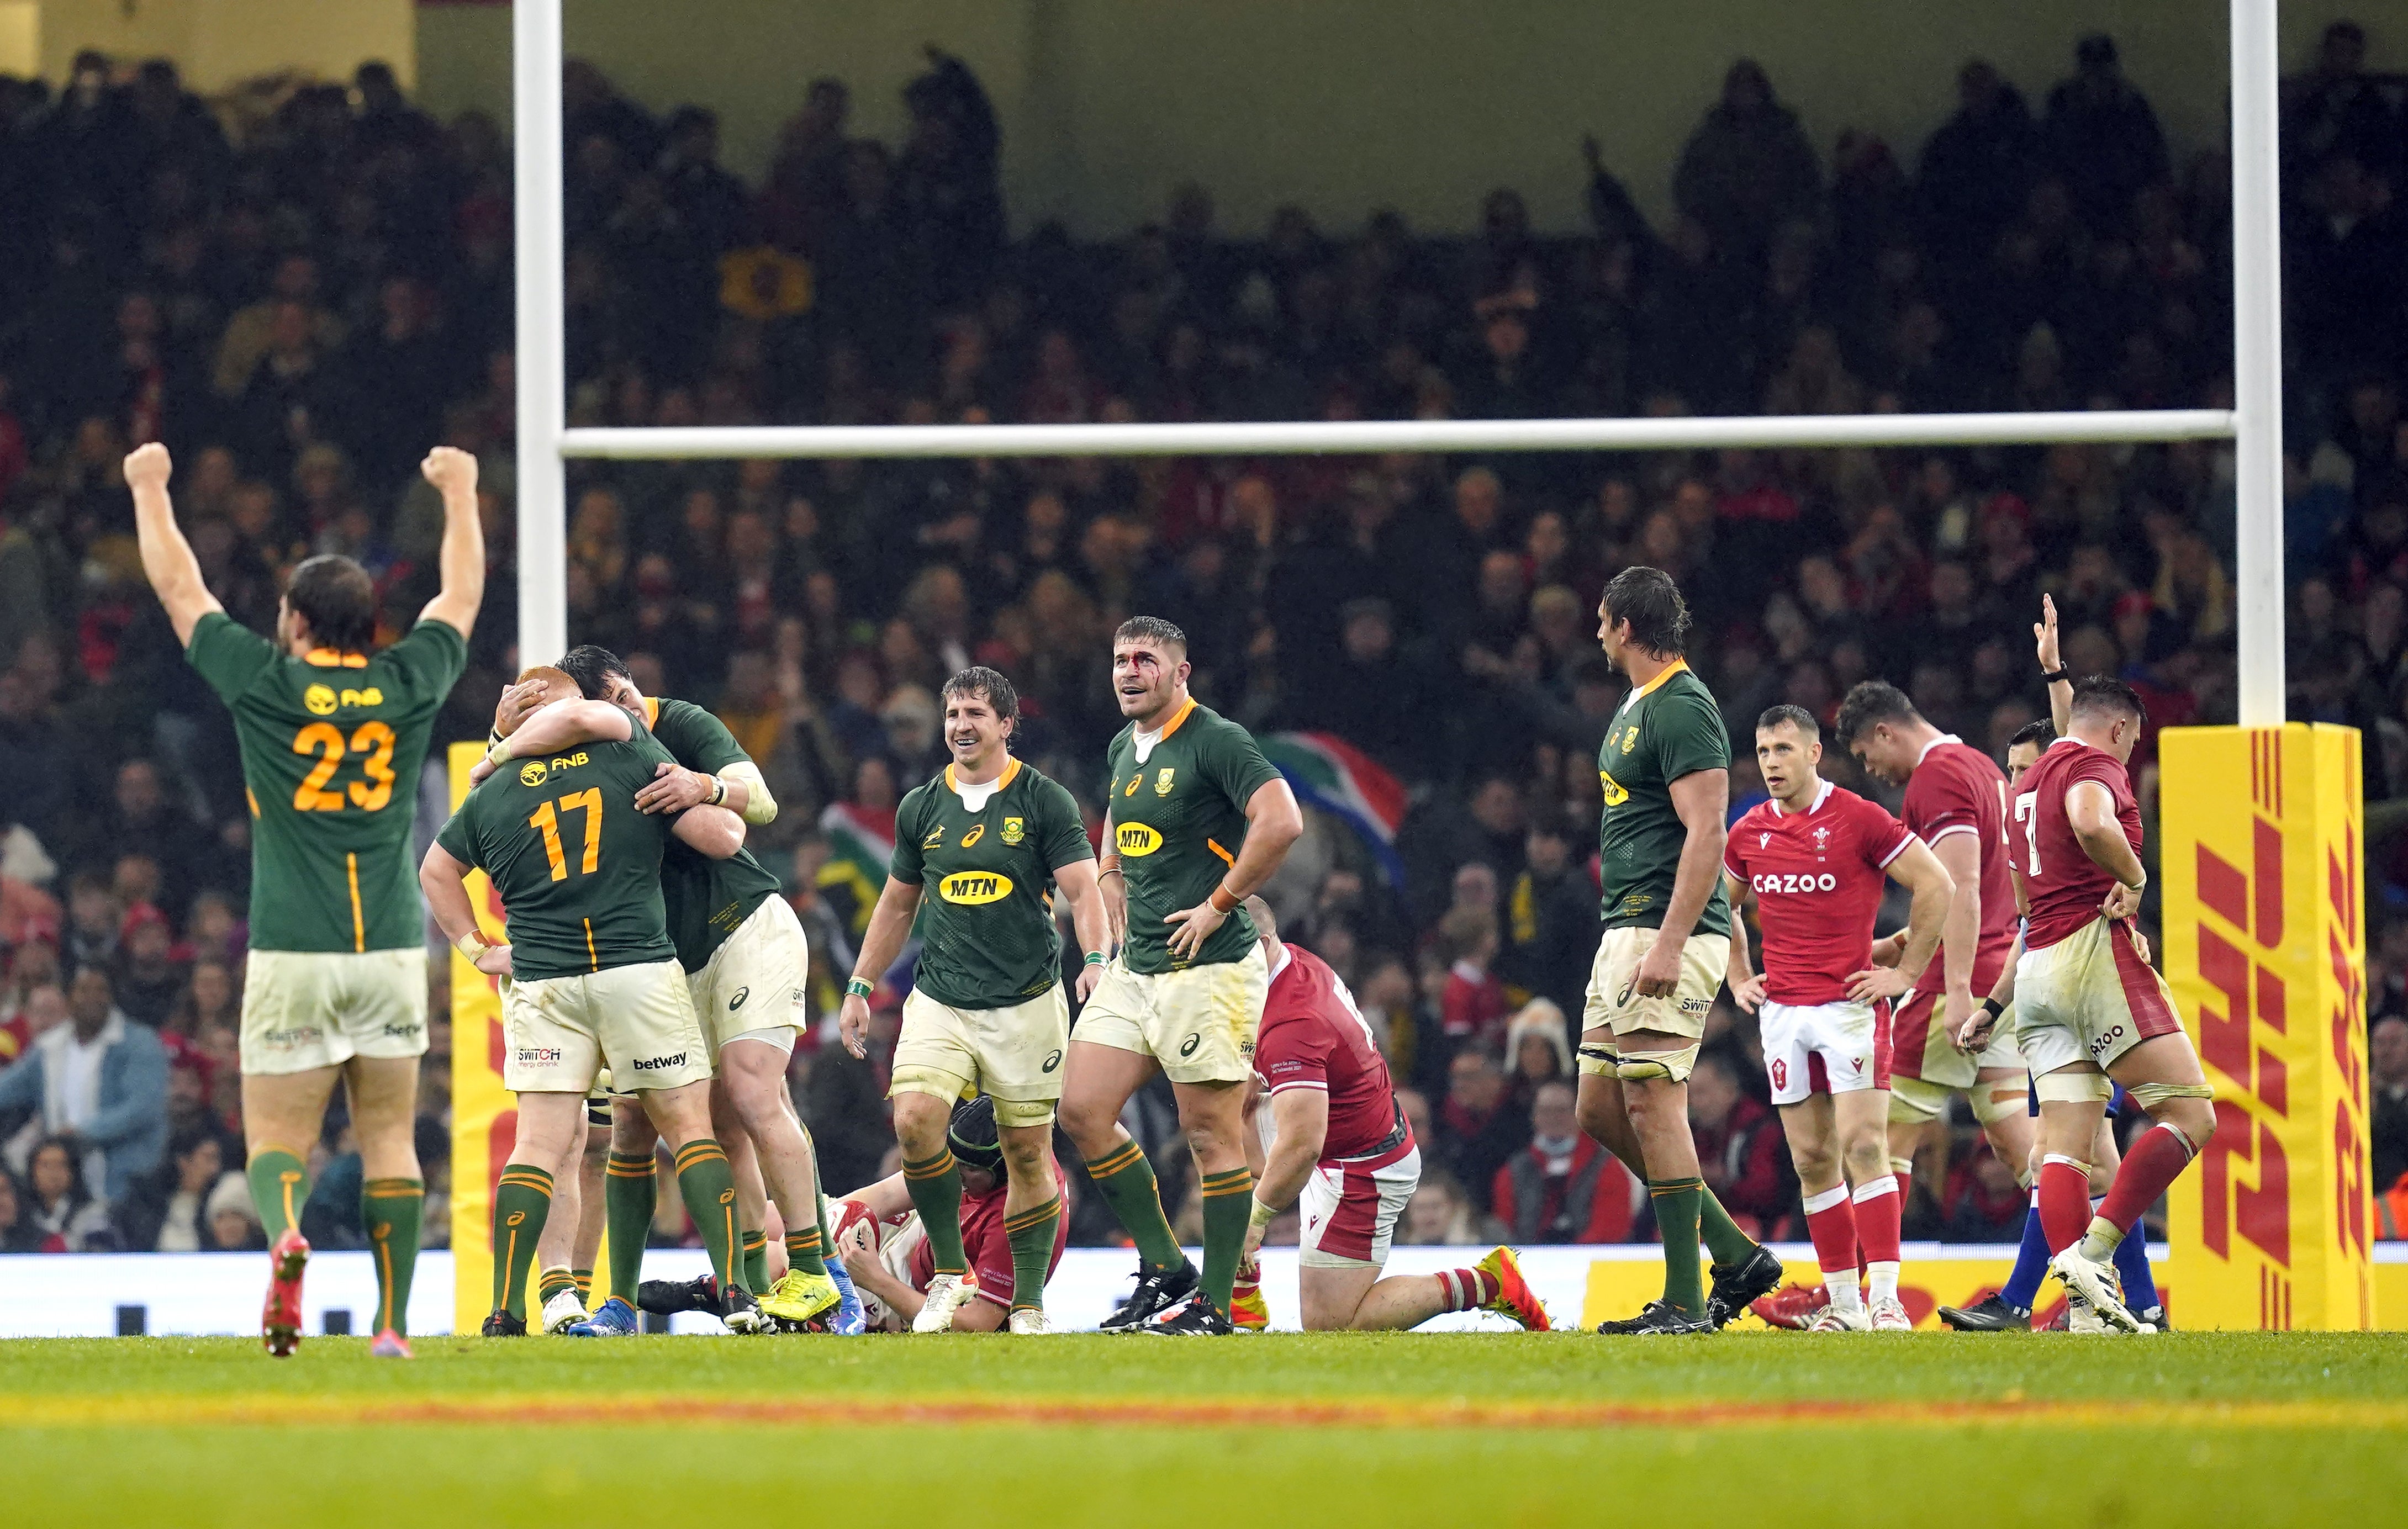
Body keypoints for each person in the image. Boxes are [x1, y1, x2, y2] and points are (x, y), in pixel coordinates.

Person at [128, 440, 483, 1359]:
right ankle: (394, 1322)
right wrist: (459, 495)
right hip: (393, 948)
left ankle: (286, 1231)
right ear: (369, 623)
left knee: (279, 1133)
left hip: (291, 943)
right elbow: (460, 598)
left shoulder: (265, 681)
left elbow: (180, 589)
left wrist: (151, 487)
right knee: (390, 1138)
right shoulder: (407, 680)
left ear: (291, 620)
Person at [479, 643, 843, 1336]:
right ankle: (635, 1298)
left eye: (623, 696)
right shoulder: (583, 755)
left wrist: (701, 786)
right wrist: (502, 741)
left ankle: (818, 1274)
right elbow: (482, 818)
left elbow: (750, 812)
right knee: (637, 1127)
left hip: (742, 930)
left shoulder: (677, 727)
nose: (623, 709)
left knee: (751, 1092)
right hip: (654, 963)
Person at [420, 668, 761, 1337]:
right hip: (634, 968)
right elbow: (722, 835)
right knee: (689, 1128)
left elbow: (435, 870)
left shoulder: (491, 797)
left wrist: (476, 949)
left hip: (545, 982)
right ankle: (738, 1296)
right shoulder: (628, 752)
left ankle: (504, 1311)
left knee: (539, 1147)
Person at [836, 666, 1107, 1334]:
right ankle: (950, 1275)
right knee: (915, 1120)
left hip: (1026, 1000)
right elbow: (898, 905)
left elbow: (1084, 889)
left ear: (1006, 725)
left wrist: (1097, 959)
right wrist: (860, 986)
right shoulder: (921, 806)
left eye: (975, 714)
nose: (960, 725)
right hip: (943, 995)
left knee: (1024, 1154)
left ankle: (1029, 1307)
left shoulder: (1043, 801)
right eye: (953, 713)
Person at [1058, 616, 1302, 1336]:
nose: (1130, 672)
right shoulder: (1122, 746)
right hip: (1137, 969)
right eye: (1120, 660)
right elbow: (1116, 825)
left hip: (1211, 965)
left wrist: (1219, 903)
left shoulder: (1216, 739)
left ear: (1181, 671)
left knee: (1211, 1136)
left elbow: (1282, 820)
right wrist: (1108, 879)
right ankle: (1167, 1267)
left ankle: (1218, 1306)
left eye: (1146, 660)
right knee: (1080, 1109)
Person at [1574, 568, 1781, 1335]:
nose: (1596, 632)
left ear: (1627, 626)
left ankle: (1687, 1300)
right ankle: (1735, 1253)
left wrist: (1669, 941)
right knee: (1599, 1108)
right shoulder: (1638, 705)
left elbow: (1708, 830)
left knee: (1653, 1105)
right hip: (1620, 924)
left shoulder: (1686, 705)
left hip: (1667, 928)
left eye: (1602, 619)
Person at [1985, 675, 2215, 1332]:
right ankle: (2093, 1254)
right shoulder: (2094, 765)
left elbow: (2024, 900)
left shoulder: (2025, 786)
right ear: (2118, 731)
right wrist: (2135, 876)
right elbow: (2089, 817)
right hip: (2091, 955)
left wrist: (2053, 671)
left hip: (2036, 971)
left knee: (2062, 1149)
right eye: (2133, 740)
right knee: (2192, 1116)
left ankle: (2085, 1314)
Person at [1722, 705, 1953, 1331]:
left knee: (1863, 1145)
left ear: (1814, 753)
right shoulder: (1748, 833)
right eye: (1763, 751)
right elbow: (1721, 909)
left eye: (1783, 750)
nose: (1771, 763)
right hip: (1783, 1015)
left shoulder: (1858, 818)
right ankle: (1845, 1305)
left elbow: (1936, 885)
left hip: (1849, 1007)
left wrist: (1905, 975)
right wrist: (1738, 977)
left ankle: (1884, 1301)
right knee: (1811, 1160)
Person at [1242, 897, 1548, 1332]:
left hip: (1360, 1164)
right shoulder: (1288, 960)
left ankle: (1488, 1283)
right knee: (1213, 1123)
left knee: (1329, 1325)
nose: (1220, 970)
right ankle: (1240, 1285)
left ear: (1265, 943)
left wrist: (1257, 1221)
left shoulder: (1294, 1021)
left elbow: (1302, 1144)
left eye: (1229, 955)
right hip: (1342, 1126)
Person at [1833, 674, 2036, 1296]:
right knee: (2026, 1153)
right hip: (2001, 975)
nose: (1876, 774)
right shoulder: (1980, 766)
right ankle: (2097, 1274)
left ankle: (1864, 1295)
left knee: (1876, 1141)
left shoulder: (1937, 777)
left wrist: (1951, 992)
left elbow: (1960, 887)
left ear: (1885, 732)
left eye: (1869, 758)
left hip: (1960, 986)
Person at [827, 1097, 1070, 1332]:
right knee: (824, 1220)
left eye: (971, 1168)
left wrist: (875, 1279)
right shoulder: (1024, 1144)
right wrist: (824, 1221)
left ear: (1005, 1168)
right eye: (953, 1161)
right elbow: (888, 1195)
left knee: (822, 1290)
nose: (956, 1173)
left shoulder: (1017, 1223)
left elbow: (977, 1323)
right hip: (924, 1234)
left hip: (912, 1294)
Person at [0, 967, 169, 1203]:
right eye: (84, 990)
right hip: (61, 1181)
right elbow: (8, 1087)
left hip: (127, 1182)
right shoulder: (50, 1048)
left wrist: (84, 1133)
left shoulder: (139, 1045)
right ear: (69, 997)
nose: (93, 998)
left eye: (101, 990)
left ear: (112, 996)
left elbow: (143, 1106)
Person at [1491, 1079, 1633, 1245]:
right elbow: (1504, 1231)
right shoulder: (1513, 1173)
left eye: (1561, 1111)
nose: (1554, 1118)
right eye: (1546, 1111)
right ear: (1534, 1116)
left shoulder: (1607, 1168)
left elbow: (1611, 1230)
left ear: (1579, 1114)